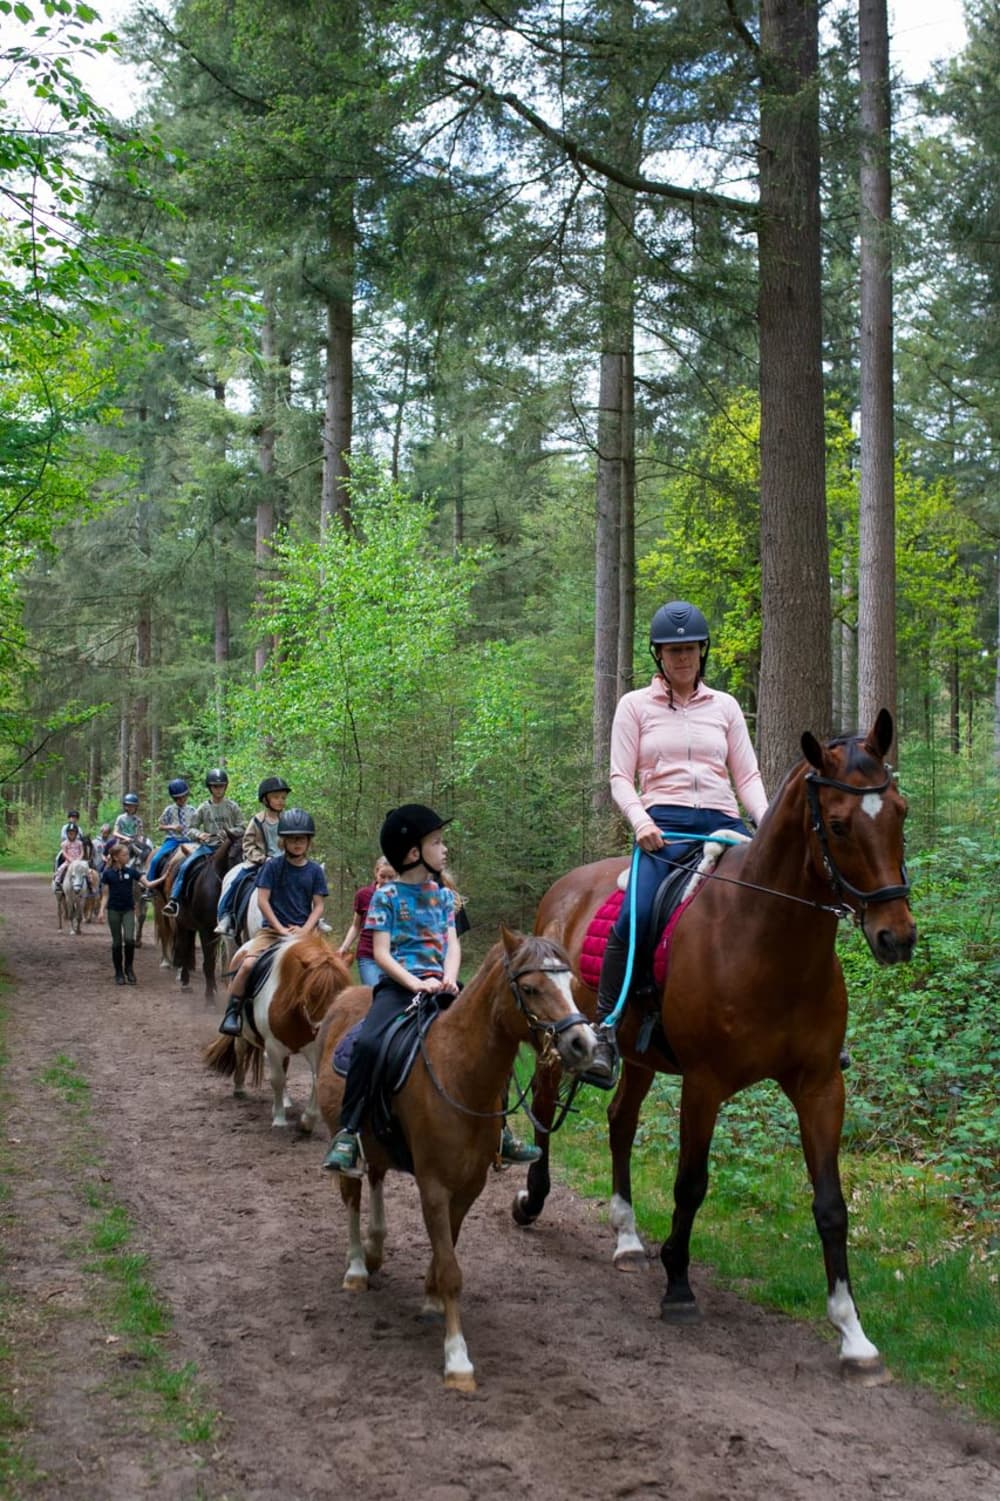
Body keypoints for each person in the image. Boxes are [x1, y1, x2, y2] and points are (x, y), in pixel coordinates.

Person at [586, 600, 769, 1086]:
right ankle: (606, 1029)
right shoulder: (634, 706)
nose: (682, 658)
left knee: (784, 904)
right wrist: (640, 819)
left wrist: (765, 822)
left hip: (724, 822)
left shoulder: (725, 707)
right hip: (663, 826)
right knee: (636, 914)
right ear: (659, 656)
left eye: (689, 649)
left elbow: (746, 774)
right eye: (672, 651)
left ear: (701, 652)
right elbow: (620, 777)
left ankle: (805, 1023)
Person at [217, 807, 328, 1037]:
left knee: (327, 970)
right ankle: (232, 1012)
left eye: (302, 839)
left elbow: (318, 905)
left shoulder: (315, 871)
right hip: (272, 932)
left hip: (304, 932)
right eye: (292, 839)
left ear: (309, 842)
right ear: (283, 841)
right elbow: (263, 900)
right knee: (247, 965)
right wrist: (279, 928)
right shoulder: (272, 867)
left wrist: (304, 930)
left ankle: (327, 1016)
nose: (297, 844)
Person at [215, 775, 291, 937]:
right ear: (265, 800)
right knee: (237, 881)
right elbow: (247, 845)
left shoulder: (289, 820)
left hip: (285, 862)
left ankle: (317, 919)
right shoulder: (257, 821)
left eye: (283, 797)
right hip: (260, 862)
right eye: (276, 797)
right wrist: (262, 858)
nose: (280, 801)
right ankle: (226, 916)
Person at [162, 768, 244, 917]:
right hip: (208, 847)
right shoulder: (203, 808)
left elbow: (242, 826)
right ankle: (174, 900)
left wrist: (229, 832)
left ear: (225, 787)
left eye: (221, 786)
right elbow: (191, 828)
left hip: (230, 848)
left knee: (247, 867)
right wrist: (200, 835)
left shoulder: (233, 807)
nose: (218, 789)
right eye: (215, 786)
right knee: (185, 865)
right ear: (210, 787)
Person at [337, 856, 396, 987]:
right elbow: (355, 926)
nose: (386, 881)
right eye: (382, 876)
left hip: (394, 956)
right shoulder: (363, 895)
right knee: (373, 995)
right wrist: (344, 947)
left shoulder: (401, 897)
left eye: (391, 877)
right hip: (368, 956)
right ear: (376, 873)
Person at [99, 838, 141, 985]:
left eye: (128, 855)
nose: (127, 857)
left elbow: (147, 881)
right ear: (116, 857)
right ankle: (118, 972)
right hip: (114, 910)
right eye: (125, 855)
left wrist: (164, 877)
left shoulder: (131, 871)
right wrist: (101, 911)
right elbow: (105, 894)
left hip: (128, 909)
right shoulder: (107, 874)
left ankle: (129, 968)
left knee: (129, 939)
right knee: (117, 942)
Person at [143, 779, 197, 888]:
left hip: (189, 840)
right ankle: (149, 885)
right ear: (174, 798)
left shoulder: (192, 810)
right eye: (178, 798)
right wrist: (172, 827)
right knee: (156, 859)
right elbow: (160, 826)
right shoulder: (169, 810)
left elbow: (196, 826)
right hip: (173, 839)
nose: (182, 799)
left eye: (184, 796)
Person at [53, 821, 84, 889]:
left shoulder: (79, 843)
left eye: (73, 833)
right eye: (70, 833)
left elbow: (82, 852)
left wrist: (79, 858)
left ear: (76, 834)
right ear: (67, 834)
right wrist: (69, 859)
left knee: (87, 869)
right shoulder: (64, 843)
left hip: (78, 861)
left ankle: (90, 882)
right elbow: (64, 852)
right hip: (68, 861)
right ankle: (58, 881)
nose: (71, 835)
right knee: (61, 869)